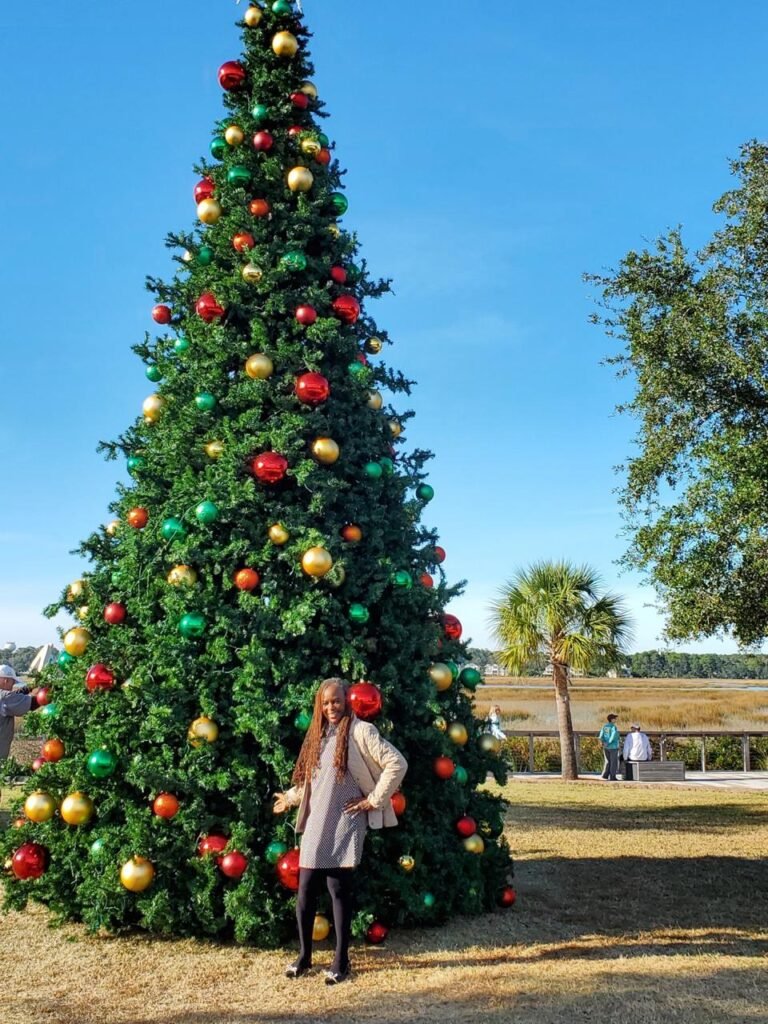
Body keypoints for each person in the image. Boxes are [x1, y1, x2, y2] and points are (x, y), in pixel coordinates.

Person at [273, 678, 407, 985]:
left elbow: (396, 763)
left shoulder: (361, 731)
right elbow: (312, 781)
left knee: (338, 891)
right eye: (325, 702)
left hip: (346, 822)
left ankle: (340, 960)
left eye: (336, 701)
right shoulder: (318, 735)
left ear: (347, 700)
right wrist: (290, 798)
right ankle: (305, 957)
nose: (331, 707)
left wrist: (373, 800)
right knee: (305, 890)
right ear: (319, 705)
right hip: (316, 821)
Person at [0, 664, 38, 763]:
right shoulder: (4, 697)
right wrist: (48, 693)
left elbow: (14, 696)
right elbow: (31, 704)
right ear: (6, 681)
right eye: (12, 683)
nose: (12, 686)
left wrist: (30, 687)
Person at [597, 713, 621, 781]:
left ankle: (605, 775)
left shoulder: (604, 726)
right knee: (614, 762)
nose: (616, 720)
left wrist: (602, 742)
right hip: (613, 747)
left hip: (605, 747)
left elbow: (601, 736)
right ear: (612, 719)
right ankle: (612, 777)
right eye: (615, 718)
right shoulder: (613, 727)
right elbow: (613, 736)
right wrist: (609, 742)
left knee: (607, 761)